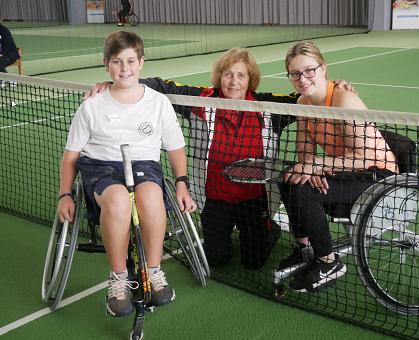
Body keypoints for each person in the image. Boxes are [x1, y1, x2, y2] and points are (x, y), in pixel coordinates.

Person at [84, 47, 356, 271]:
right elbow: (160, 86)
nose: (234, 81)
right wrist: (118, 81)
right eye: (228, 74)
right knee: (216, 260)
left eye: (241, 75)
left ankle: (269, 229)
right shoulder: (200, 101)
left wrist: (336, 86)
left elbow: (309, 96)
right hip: (214, 200)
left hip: (255, 200)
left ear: (251, 79)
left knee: (254, 262)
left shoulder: (268, 107)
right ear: (219, 77)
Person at [58, 31, 196, 317]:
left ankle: (153, 274)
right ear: (106, 64)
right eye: (117, 62)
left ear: (141, 62)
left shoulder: (158, 103)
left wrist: (181, 184)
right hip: (101, 169)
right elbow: (71, 157)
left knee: (150, 195)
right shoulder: (91, 105)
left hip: (145, 166)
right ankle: (119, 280)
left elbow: (175, 148)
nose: (125, 68)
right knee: (119, 199)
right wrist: (63, 195)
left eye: (131, 61)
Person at [279, 41, 399, 293]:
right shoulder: (304, 104)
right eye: (295, 73)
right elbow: (304, 153)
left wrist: (318, 164)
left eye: (309, 70)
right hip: (346, 168)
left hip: (378, 174)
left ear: (323, 68)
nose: (302, 79)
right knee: (291, 177)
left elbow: (365, 158)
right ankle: (306, 249)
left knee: (303, 189)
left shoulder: (344, 101)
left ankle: (328, 262)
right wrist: (309, 169)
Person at [0, 14, 21, 87]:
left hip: (10, 55)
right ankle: (3, 79)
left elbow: (7, 44)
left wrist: (2, 53)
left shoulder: (3, 30)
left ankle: (10, 79)